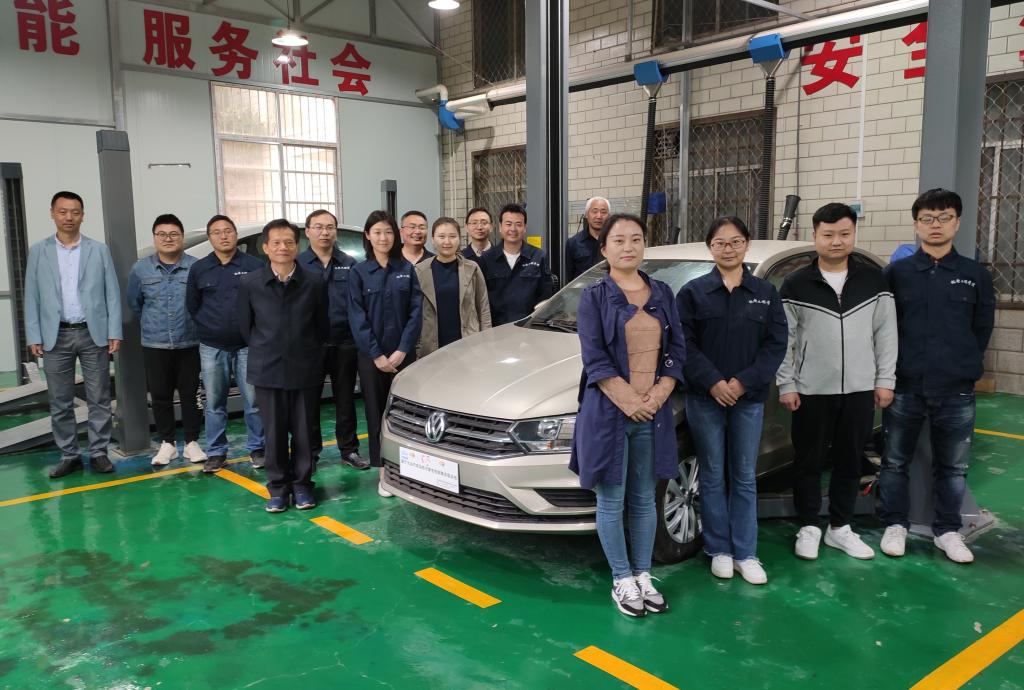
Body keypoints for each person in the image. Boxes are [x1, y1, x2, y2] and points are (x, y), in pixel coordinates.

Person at [570, 213, 686, 618]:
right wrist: (630, 402)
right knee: (611, 500)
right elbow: (595, 358)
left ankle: (643, 575)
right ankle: (621, 578)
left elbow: (677, 350)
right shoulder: (594, 296)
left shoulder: (663, 293)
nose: (628, 247)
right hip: (609, 415)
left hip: (653, 413)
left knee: (643, 499)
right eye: (618, 240)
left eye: (636, 239)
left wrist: (659, 393)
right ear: (604, 249)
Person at [878, 188, 996, 564]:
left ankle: (947, 530)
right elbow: (885, 327)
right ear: (916, 224)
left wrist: (963, 366)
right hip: (905, 385)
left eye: (944, 217)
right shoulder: (896, 274)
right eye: (927, 218)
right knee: (894, 461)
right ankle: (895, 524)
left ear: (957, 223)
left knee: (953, 467)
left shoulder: (975, 275)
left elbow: (981, 328)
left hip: (955, 389)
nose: (935, 225)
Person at [776, 202, 898, 561]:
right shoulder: (796, 283)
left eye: (844, 234)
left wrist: (885, 379)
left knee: (850, 460)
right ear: (815, 236)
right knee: (808, 461)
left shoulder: (874, 281)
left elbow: (886, 334)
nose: (836, 241)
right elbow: (785, 339)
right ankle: (809, 526)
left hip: (860, 387)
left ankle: (840, 527)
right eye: (828, 234)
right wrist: (787, 383)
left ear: (854, 234)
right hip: (811, 389)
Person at [677, 217, 787, 584]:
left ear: (747, 244)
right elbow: (684, 344)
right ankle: (718, 549)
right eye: (721, 243)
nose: (729, 249)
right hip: (704, 398)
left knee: (743, 476)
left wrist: (742, 383)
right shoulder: (693, 293)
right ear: (710, 247)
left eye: (736, 241)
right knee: (711, 474)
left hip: (748, 399)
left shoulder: (765, 293)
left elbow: (775, 345)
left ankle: (746, 552)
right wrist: (713, 382)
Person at [25, 191, 122, 478]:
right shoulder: (39, 251)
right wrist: (34, 334)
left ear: (82, 215)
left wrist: (114, 330)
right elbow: (32, 296)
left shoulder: (98, 250)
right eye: (63, 211)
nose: (69, 217)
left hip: (93, 333)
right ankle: (69, 455)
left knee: (99, 397)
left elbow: (112, 293)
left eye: (75, 212)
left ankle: (99, 452)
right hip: (55, 335)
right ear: (52, 213)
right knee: (60, 401)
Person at [238, 219, 328, 512]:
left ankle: (302, 485)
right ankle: (277, 489)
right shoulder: (251, 284)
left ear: (297, 246)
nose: (283, 248)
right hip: (267, 369)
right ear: (265, 247)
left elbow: (322, 326)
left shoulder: (314, 282)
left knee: (304, 431)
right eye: (276, 242)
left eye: (289, 242)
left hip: (305, 368)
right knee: (274, 433)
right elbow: (245, 328)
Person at [349, 211, 423, 497]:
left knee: (407, 414)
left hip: (404, 357)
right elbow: (357, 317)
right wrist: (377, 355)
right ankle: (385, 472)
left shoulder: (406, 270)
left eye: (388, 232)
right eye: (378, 232)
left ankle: (410, 470)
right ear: (368, 236)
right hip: (372, 359)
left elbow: (415, 313)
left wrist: (403, 349)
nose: (383, 237)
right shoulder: (359, 273)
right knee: (376, 413)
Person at [185, 215, 265, 474]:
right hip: (212, 346)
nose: (223, 236)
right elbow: (192, 305)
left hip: (247, 345)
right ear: (210, 238)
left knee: (254, 401)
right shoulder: (199, 269)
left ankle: (258, 448)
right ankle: (216, 452)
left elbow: (262, 302)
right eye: (217, 232)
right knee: (214, 402)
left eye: (228, 231)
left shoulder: (253, 265)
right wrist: (209, 327)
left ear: (235, 234)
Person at [127, 214, 206, 467]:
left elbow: (201, 302)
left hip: (190, 342)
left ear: (182, 237)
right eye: (162, 234)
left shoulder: (196, 267)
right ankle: (167, 444)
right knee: (160, 395)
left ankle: (192, 442)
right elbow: (135, 303)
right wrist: (154, 323)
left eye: (173, 234)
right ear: (154, 238)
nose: (168, 239)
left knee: (191, 394)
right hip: (155, 343)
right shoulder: (140, 269)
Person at [298, 209, 370, 471]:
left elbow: (357, 303)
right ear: (308, 232)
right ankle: (310, 454)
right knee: (308, 402)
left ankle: (349, 450)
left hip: (344, 343)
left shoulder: (349, 263)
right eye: (318, 227)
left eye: (329, 227)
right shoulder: (298, 264)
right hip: (311, 345)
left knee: (345, 400)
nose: (324, 232)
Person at [415, 217, 491, 358]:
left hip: (468, 344)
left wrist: (485, 342)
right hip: (431, 347)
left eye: (452, 236)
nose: (447, 241)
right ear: (433, 239)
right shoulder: (420, 271)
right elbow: (414, 313)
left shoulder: (472, 268)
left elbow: (483, 308)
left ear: (459, 239)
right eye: (441, 236)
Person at [477, 203, 554, 326]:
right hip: (496, 329)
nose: (513, 229)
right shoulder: (487, 259)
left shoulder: (538, 256)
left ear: (525, 228)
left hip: (528, 327)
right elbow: (481, 299)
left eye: (518, 224)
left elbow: (545, 295)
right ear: (500, 227)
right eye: (508, 224)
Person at [565, 196, 611, 281]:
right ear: (586, 214)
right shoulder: (573, 242)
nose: (599, 216)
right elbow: (571, 277)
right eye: (594, 211)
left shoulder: (616, 241)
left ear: (608, 216)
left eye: (603, 212)